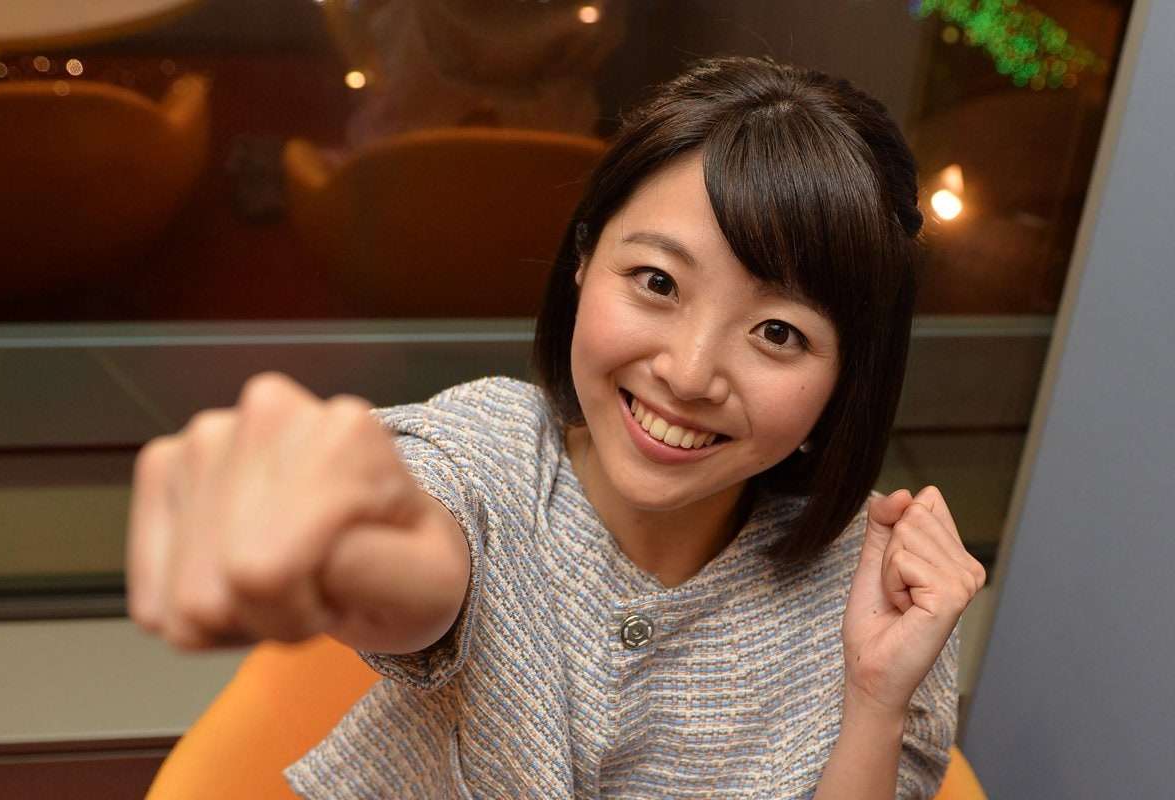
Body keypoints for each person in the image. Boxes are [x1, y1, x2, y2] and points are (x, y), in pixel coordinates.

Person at [127, 56, 986, 799]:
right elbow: (415, 551)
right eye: (657, 282)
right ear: (583, 259)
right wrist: (328, 541)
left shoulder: (870, 585)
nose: (689, 373)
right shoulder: (491, 454)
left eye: (777, 333)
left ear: (846, 379)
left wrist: (876, 699)